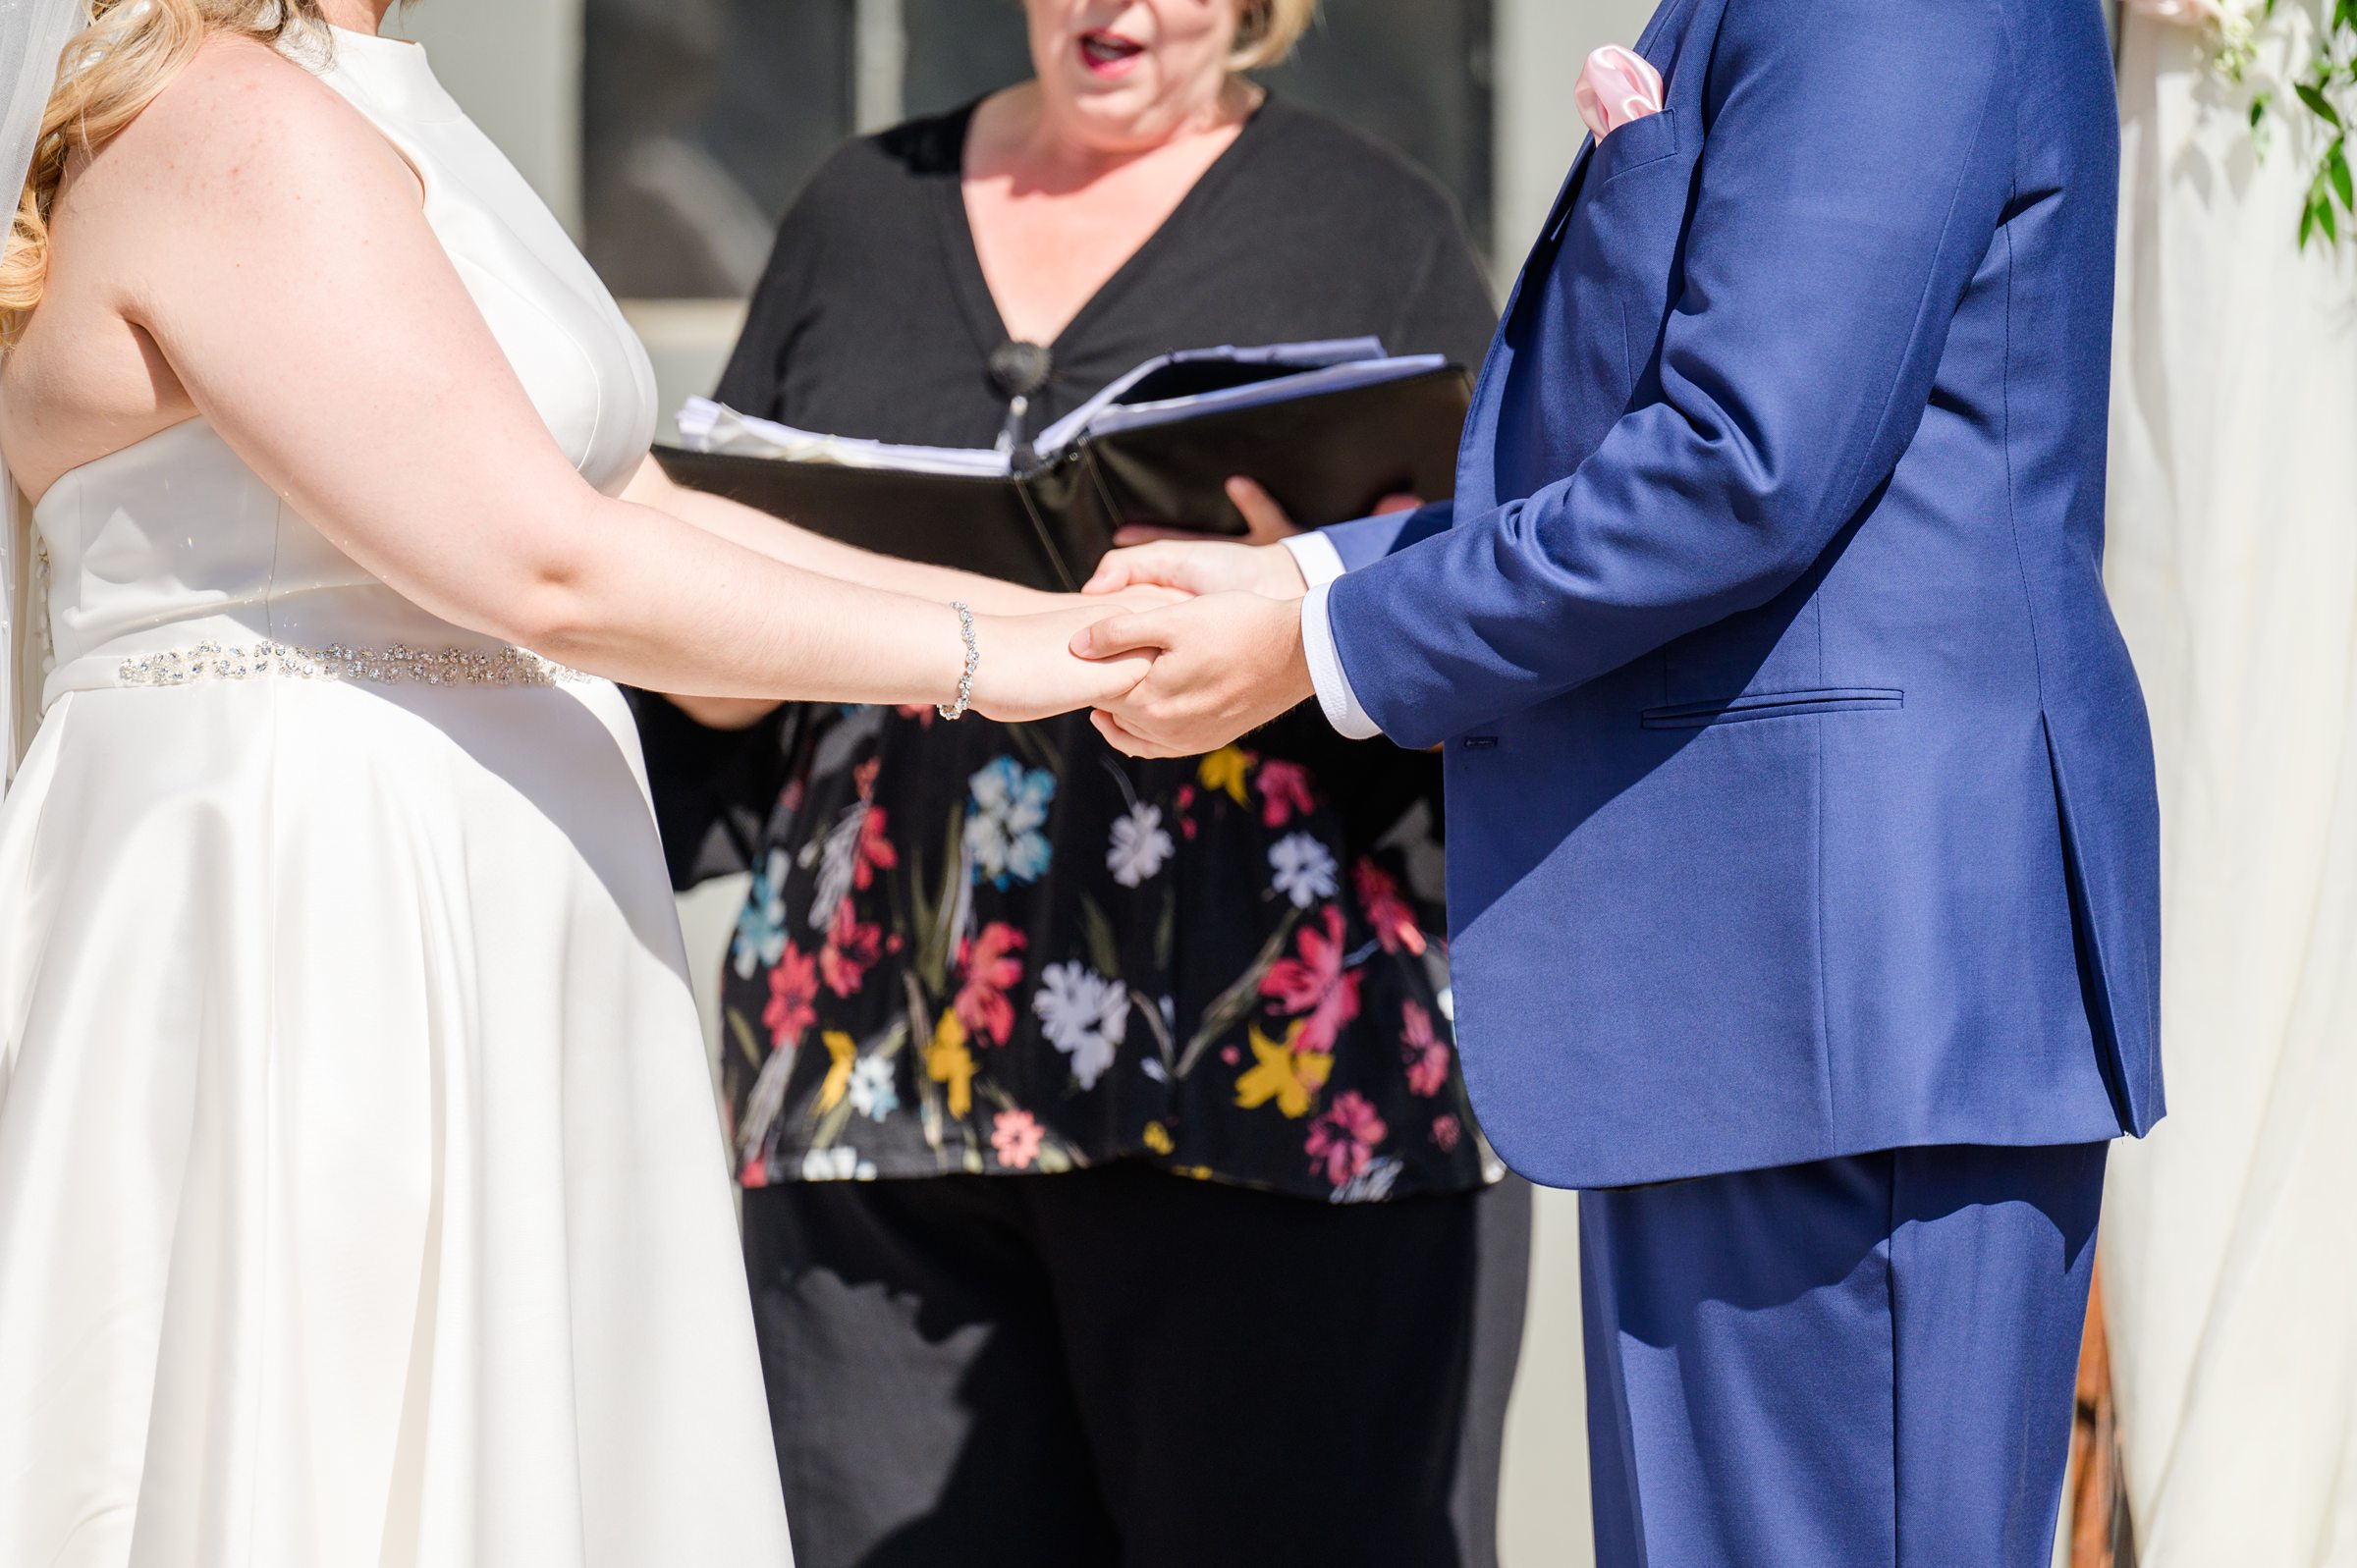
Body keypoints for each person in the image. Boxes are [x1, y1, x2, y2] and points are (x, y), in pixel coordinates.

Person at [0, 2, 1163, 1562]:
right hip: (320, 926)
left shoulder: (379, 98)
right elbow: (543, 563)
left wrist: (1090, 629)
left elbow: (630, 500)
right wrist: (987, 665)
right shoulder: (233, 121)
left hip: (488, 922)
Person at [1079, 0, 2165, 1564]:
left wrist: (1324, 647)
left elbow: (1739, 466)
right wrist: (1295, 579)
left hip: (1844, 988)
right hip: (1760, 992)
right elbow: (1645, 448)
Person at [635, 1, 1524, 1563]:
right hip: (870, 1085)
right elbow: (696, 622)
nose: (1116, 6)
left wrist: (1303, 587)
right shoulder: (860, 206)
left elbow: (1497, 626)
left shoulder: (1376, 225)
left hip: (1273, 1088)